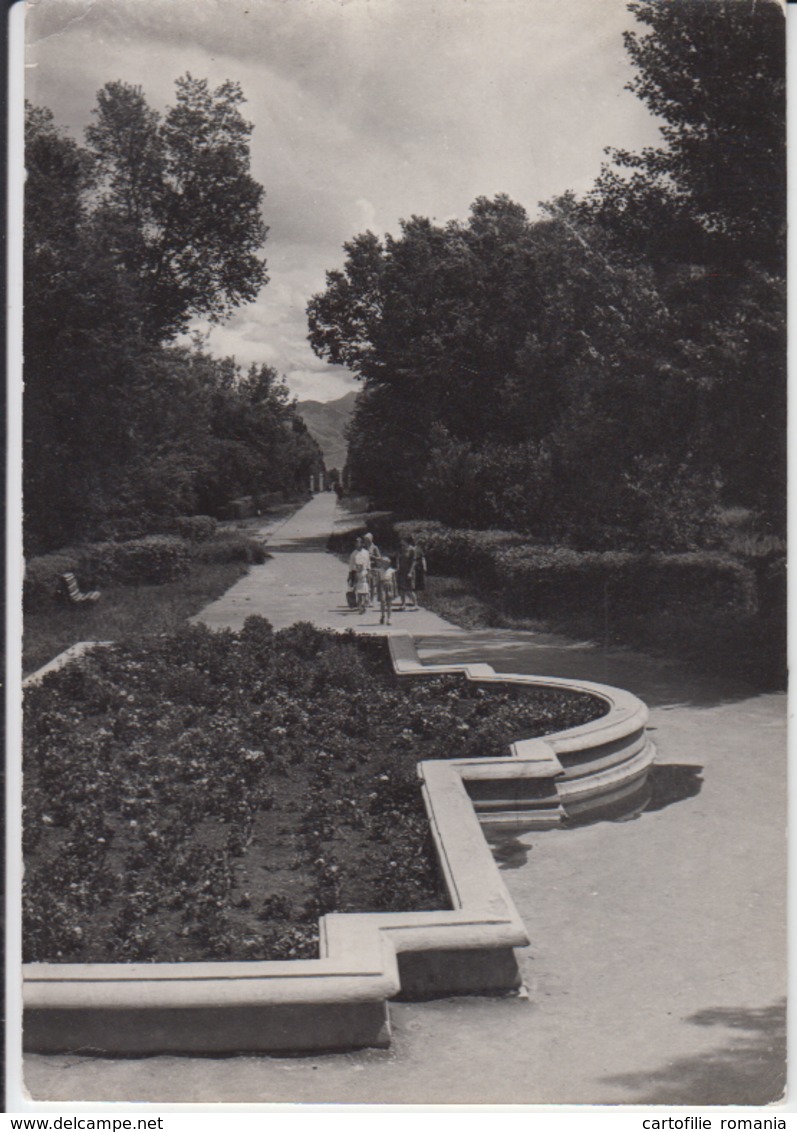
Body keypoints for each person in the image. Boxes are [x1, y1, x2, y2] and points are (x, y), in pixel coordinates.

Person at [397, 536, 417, 609]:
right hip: (402, 571)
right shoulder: (401, 549)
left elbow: (414, 562)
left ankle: (415, 604)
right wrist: (398, 566)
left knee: (409, 589)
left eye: (403, 540)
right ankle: (403, 604)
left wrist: (410, 572)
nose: (401, 542)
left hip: (409, 571)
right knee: (402, 589)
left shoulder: (412, 550)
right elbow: (398, 558)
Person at [352, 539, 372, 614]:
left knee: (366, 591)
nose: (357, 544)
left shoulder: (366, 552)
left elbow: (368, 562)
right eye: (356, 542)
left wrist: (369, 571)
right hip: (357, 573)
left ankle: (366, 603)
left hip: (365, 572)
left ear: (362, 544)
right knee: (359, 594)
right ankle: (360, 606)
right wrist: (352, 574)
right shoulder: (354, 553)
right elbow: (351, 565)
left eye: (358, 542)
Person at [376, 555, 396, 625]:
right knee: (383, 601)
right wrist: (377, 589)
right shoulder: (379, 571)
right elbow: (378, 581)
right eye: (382, 562)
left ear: (389, 563)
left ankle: (389, 618)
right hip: (382, 586)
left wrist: (394, 591)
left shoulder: (392, 571)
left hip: (389, 585)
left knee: (389, 603)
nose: (384, 564)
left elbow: (394, 581)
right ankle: (382, 615)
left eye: (385, 563)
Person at [363, 532, 381, 605]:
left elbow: (379, 557)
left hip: (373, 567)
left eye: (367, 539)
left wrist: (372, 557)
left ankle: (372, 600)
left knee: (372, 584)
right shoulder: (363, 547)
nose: (366, 541)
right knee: (365, 583)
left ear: (371, 539)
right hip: (365, 567)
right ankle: (366, 599)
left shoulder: (374, 547)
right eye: (365, 539)